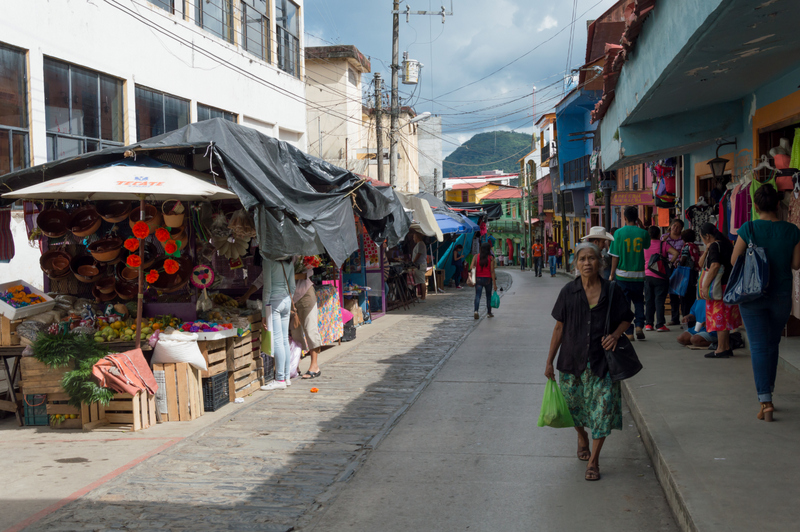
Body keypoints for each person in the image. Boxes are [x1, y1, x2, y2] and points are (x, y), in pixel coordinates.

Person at [544, 243, 633, 481]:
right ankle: (581, 435)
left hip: (602, 362)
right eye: (582, 259)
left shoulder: (611, 291)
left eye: (591, 258)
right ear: (576, 264)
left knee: (602, 411)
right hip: (572, 360)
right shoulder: (567, 292)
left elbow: (626, 318)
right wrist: (549, 361)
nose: (587, 263)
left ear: (600, 263)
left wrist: (615, 335)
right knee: (574, 409)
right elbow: (559, 327)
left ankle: (594, 461)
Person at [732, 184, 800, 421]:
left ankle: (766, 400)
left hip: (752, 295)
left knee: (759, 346)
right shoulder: (792, 231)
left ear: (756, 205)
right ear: (778, 205)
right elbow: (796, 264)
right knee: (772, 345)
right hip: (781, 295)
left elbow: (734, 259)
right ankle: (767, 396)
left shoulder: (748, 228)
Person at [698, 223, 741, 359]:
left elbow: (715, 265)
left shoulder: (716, 246)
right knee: (726, 318)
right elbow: (701, 263)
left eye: (702, 238)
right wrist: (706, 249)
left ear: (707, 236)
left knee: (719, 318)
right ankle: (726, 347)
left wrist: (705, 286)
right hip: (728, 286)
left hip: (718, 288)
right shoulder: (726, 244)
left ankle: (721, 348)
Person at [609, 206, 650, 341]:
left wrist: (611, 273)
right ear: (636, 218)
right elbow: (647, 245)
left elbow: (615, 256)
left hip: (622, 275)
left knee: (625, 304)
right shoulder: (643, 233)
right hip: (638, 275)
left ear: (624, 218)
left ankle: (629, 331)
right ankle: (639, 325)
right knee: (638, 301)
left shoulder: (618, 233)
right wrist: (641, 225)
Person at [259, 257, 295, 391]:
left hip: (274, 302)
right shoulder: (289, 260)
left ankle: (279, 379)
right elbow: (293, 286)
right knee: (285, 339)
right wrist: (288, 301)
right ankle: (286, 377)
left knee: (279, 340)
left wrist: (264, 312)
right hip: (286, 301)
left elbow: (267, 288)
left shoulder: (268, 261)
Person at [290, 259, 323, 380]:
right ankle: (295, 366)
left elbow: (308, 273)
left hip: (305, 295)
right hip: (291, 298)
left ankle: (314, 366)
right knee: (295, 333)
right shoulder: (281, 254)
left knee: (310, 329)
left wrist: (285, 275)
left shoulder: (303, 252)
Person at [643, 225, 678, 332]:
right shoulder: (663, 244)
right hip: (660, 276)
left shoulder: (645, 245)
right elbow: (676, 253)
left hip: (647, 275)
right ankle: (660, 325)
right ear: (659, 234)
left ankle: (648, 324)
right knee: (659, 300)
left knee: (649, 300)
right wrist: (670, 264)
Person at [662, 219, 686, 325]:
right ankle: (674, 318)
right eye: (674, 225)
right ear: (670, 226)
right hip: (669, 267)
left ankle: (685, 317)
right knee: (672, 294)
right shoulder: (664, 238)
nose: (675, 228)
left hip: (681, 268)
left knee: (683, 292)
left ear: (681, 228)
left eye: (678, 226)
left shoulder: (683, 239)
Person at [678, 229, 701, 318]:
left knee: (685, 298)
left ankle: (685, 317)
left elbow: (683, 259)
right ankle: (692, 317)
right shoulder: (695, 246)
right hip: (694, 274)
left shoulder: (686, 246)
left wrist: (678, 264)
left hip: (686, 274)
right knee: (692, 297)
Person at [470, 242, 497, 319]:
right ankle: (489, 312)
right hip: (488, 279)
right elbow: (492, 271)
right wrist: (494, 284)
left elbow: (471, 267)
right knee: (488, 296)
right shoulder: (490, 258)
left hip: (478, 279)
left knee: (478, 295)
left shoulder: (476, 256)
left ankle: (476, 311)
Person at [411, 232, 428, 300]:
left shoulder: (420, 244)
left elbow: (419, 254)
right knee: (421, 281)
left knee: (421, 281)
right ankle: (421, 296)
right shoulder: (420, 244)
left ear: (417, 237)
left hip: (420, 265)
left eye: (414, 237)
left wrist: (413, 262)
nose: (413, 239)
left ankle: (423, 297)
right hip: (420, 264)